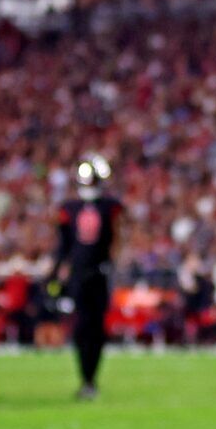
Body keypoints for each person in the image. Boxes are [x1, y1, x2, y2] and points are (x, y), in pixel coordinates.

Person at [48, 154, 124, 399]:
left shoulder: (109, 206)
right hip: (79, 276)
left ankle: (91, 379)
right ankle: (86, 378)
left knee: (96, 329)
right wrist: (54, 273)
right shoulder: (69, 209)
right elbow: (64, 246)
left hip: (99, 274)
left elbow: (116, 238)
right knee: (82, 329)